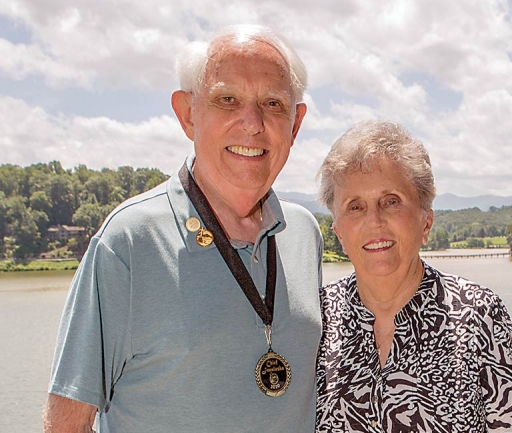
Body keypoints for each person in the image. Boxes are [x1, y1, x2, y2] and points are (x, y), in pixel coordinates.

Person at [44, 24, 323, 432]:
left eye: (273, 104)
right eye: (227, 99)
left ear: (295, 125)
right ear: (187, 114)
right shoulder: (128, 242)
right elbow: (67, 421)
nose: (252, 122)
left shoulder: (303, 234)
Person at [315, 120, 512, 432]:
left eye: (391, 201)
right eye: (355, 207)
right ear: (338, 232)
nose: (374, 220)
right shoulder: (315, 319)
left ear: (426, 222)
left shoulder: (480, 316)